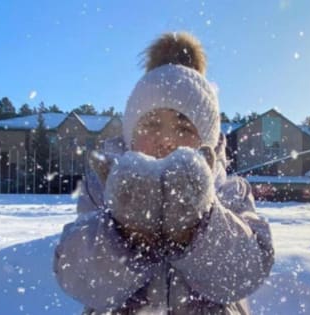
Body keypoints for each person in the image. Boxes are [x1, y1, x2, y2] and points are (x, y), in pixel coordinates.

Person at [54, 31, 274, 315]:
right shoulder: (104, 188)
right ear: (131, 135)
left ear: (207, 140)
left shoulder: (228, 190)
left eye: (184, 128)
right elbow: (80, 279)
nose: (166, 140)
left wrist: (197, 227)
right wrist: (126, 232)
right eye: (152, 125)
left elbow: (244, 274)